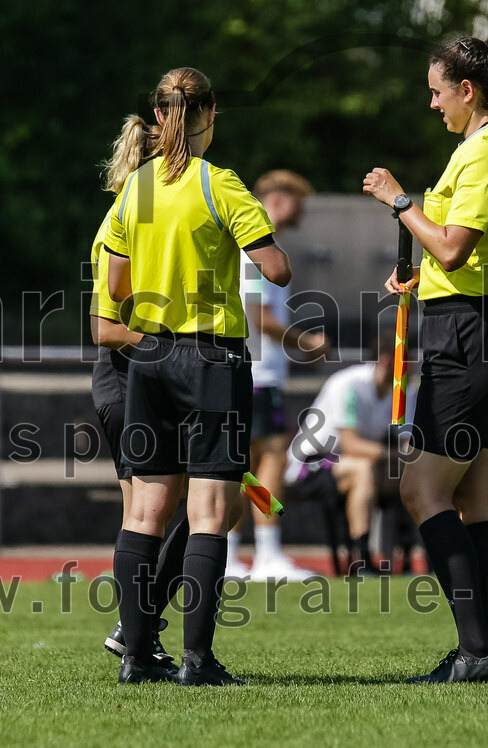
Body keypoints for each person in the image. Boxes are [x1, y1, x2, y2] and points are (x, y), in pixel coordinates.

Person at [104, 66, 291, 686]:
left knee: (144, 513)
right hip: (212, 359)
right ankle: (197, 660)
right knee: (211, 512)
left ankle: (135, 656)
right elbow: (277, 268)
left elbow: (117, 288)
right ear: (211, 114)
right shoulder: (221, 184)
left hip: (149, 359)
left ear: (159, 118)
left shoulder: (138, 188)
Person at [363, 34, 488, 683]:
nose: (431, 103)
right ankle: (484, 649)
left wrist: (399, 199)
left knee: (420, 488)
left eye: (438, 91)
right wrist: (419, 276)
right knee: (473, 498)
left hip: (471, 336)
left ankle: (476, 653)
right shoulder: (479, 147)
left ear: (468, 90)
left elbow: (456, 247)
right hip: (476, 328)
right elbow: (447, 254)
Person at [90, 146, 188, 671]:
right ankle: (137, 633)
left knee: (212, 506)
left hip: (156, 379)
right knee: (146, 511)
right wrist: (174, 348)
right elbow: (105, 330)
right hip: (129, 380)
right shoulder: (123, 226)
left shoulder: (154, 226)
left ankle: (138, 627)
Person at [227, 170, 331, 583]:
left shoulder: (245, 246)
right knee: (268, 459)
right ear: (280, 199)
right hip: (256, 373)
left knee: (242, 466)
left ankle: (232, 555)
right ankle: (267, 551)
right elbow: (259, 316)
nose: (302, 210)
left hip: (248, 370)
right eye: (298, 200)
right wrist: (305, 342)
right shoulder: (257, 249)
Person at [285, 328, 412, 574]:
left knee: (411, 474)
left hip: (355, 463)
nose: (412, 370)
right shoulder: (349, 385)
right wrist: (397, 456)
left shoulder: (404, 392)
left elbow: (406, 442)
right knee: (362, 469)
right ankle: (363, 560)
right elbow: (352, 445)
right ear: (387, 361)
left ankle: (410, 558)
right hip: (312, 464)